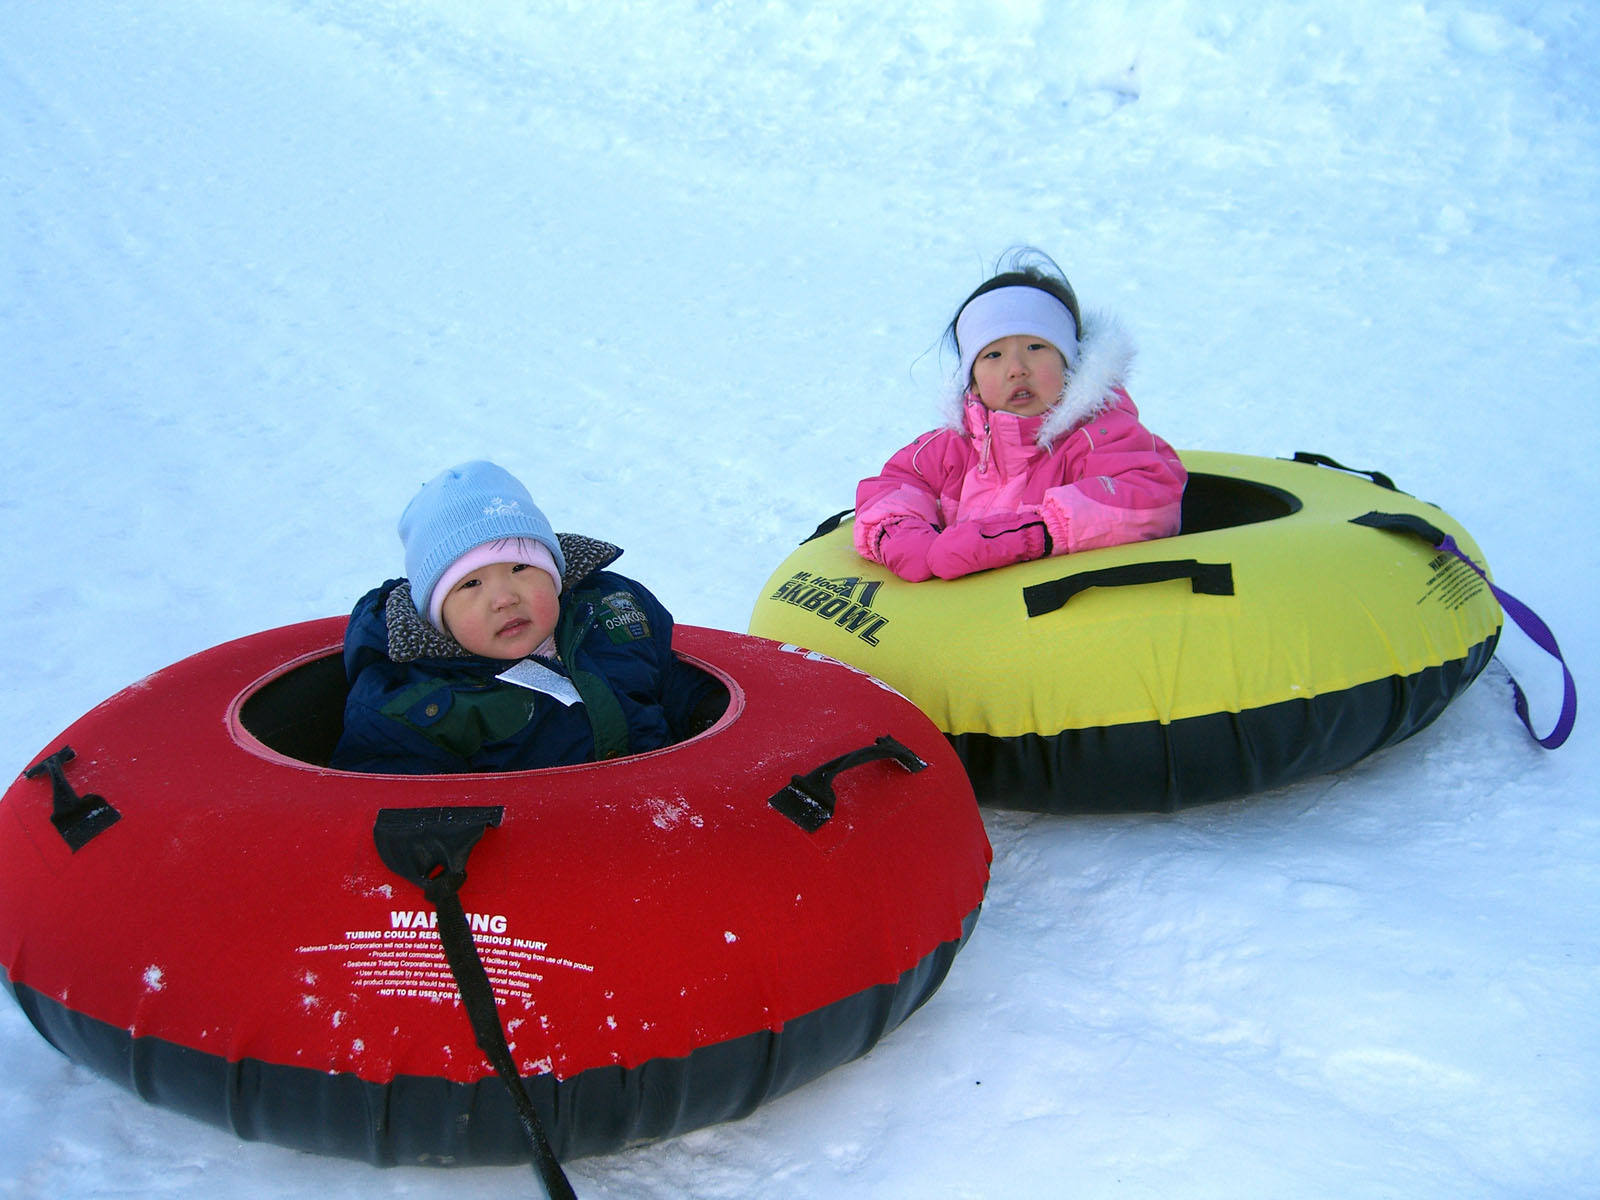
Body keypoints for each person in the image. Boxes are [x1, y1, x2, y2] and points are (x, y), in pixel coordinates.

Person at [331, 460, 725, 774]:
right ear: (437, 614)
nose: (504, 598)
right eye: (470, 585)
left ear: (555, 576)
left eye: (521, 568)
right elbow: (383, 786)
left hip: (665, 811)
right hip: (531, 857)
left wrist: (704, 709)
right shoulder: (414, 703)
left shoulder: (606, 616)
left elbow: (661, 679)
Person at [853, 251, 1186, 581]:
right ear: (972, 380)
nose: (1016, 369)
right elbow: (895, 485)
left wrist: (1030, 534)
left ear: (1070, 362)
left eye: (1035, 348)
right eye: (993, 354)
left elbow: (1147, 500)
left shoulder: (1102, 438)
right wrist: (900, 534)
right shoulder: (949, 448)